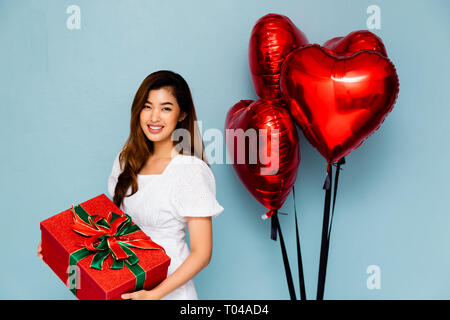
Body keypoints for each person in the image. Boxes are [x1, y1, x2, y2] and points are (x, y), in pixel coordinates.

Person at [38, 70, 224, 300]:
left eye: (166, 108)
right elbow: (111, 234)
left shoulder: (190, 171)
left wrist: (155, 294)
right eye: (147, 106)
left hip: (169, 290)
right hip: (128, 285)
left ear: (182, 114)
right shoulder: (126, 160)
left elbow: (202, 253)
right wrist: (60, 250)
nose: (154, 117)